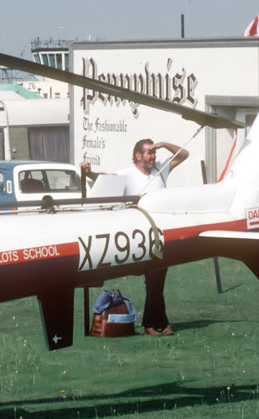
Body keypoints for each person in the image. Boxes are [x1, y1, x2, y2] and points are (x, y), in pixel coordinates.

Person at [81, 138, 189, 335]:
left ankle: (154, 323)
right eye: (149, 153)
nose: (153, 156)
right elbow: (105, 177)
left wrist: (163, 144)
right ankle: (157, 324)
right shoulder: (128, 174)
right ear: (138, 156)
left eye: (154, 153)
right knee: (154, 278)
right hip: (140, 236)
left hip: (160, 234)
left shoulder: (160, 169)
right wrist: (88, 172)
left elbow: (184, 155)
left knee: (157, 280)